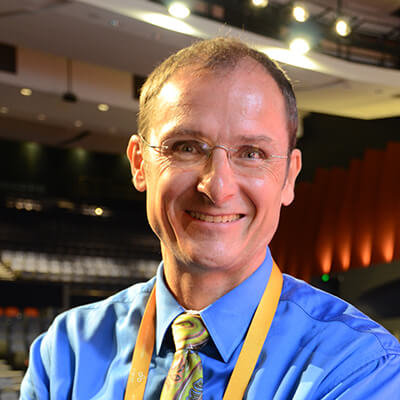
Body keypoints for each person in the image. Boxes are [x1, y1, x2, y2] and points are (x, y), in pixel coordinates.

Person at [20, 37, 400, 399]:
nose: (217, 187)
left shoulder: (359, 366)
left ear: (288, 177)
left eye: (252, 153)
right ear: (140, 163)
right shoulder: (65, 355)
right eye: (186, 147)